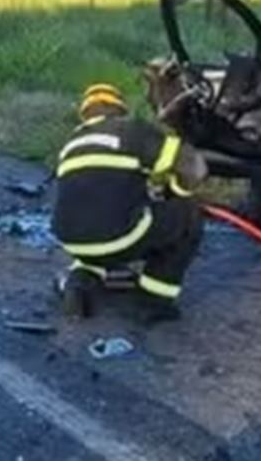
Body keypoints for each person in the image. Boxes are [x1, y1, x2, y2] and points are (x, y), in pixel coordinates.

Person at [53, 83, 205, 322]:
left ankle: (78, 284)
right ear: (120, 109)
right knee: (189, 215)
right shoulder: (131, 129)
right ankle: (154, 302)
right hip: (117, 235)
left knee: (98, 233)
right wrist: (177, 194)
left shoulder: (70, 144)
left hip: (72, 241)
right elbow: (194, 167)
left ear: (85, 114)